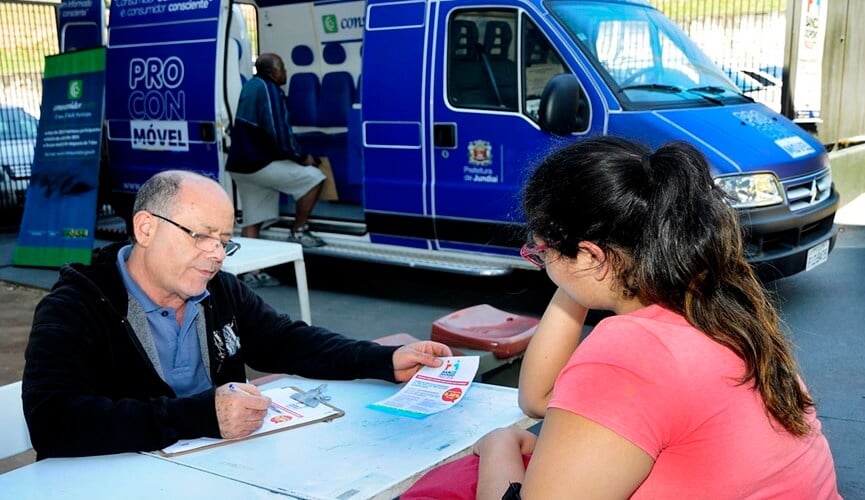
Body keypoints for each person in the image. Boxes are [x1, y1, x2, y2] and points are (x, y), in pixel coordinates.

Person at [404, 137, 840, 499]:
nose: (539, 261)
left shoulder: (631, 350)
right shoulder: (715, 304)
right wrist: (579, 270)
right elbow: (539, 400)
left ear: (593, 255)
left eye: (540, 252)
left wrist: (498, 445)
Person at [22, 169, 451, 459]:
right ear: (146, 229)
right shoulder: (76, 307)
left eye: (224, 240)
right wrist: (201, 416)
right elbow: (53, 421)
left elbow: (289, 341)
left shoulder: (218, 292)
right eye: (201, 236)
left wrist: (382, 359)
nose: (216, 255)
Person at [226, 52, 325, 287]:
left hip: (241, 166)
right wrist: (303, 158)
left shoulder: (251, 85)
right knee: (315, 178)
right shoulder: (269, 90)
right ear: (272, 72)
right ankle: (299, 230)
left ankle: (252, 272)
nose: (285, 74)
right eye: (283, 69)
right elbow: (278, 133)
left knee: (253, 219)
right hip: (259, 164)